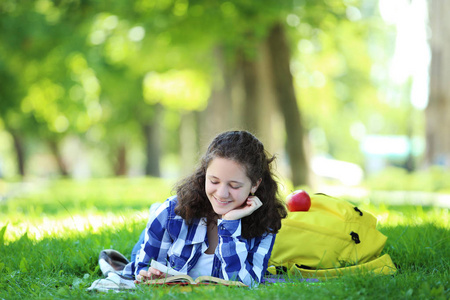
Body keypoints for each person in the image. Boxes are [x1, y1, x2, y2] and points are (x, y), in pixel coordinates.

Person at [102, 130, 287, 288]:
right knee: (140, 249)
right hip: (167, 230)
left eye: (234, 186)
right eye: (214, 181)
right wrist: (147, 274)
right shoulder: (171, 213)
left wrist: (230, 225)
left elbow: (246, 285)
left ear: (254, 185)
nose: (222, 193)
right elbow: (141, 270)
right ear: (205, 174)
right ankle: (153, 211)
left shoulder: (265, 224)